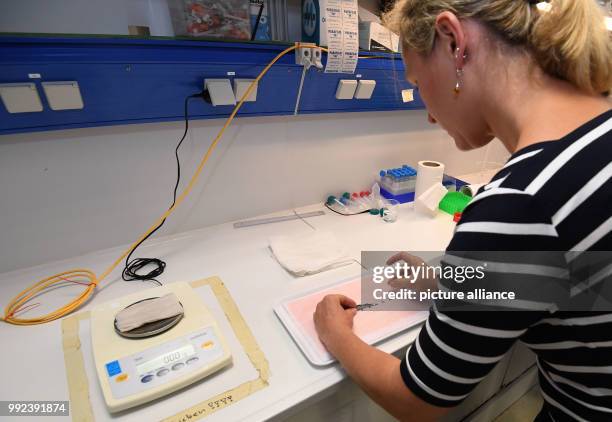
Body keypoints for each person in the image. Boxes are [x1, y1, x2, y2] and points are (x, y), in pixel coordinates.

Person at [313, 0, 612, 420]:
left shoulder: (520, 203)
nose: (430, 115)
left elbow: (418, 399)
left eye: (418, 83)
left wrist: (333, 333)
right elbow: (584, 278)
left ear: (454, 42)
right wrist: (455, 284)